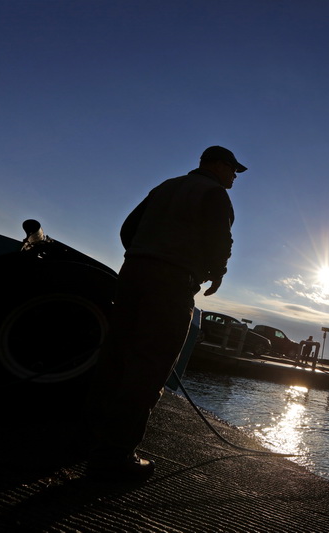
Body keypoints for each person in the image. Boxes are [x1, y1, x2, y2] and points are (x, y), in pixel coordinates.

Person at [86, 145, 246, 482]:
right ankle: (115, 456)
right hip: (173, 283)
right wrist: (217, 272)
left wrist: (143, 255)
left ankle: (89, 438)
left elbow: (128, 228)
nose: (234, 177)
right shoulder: (215, 194)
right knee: (151, 365)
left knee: (116, 356)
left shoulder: (166, 186)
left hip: (132, 275)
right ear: (218, 166)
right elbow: (221, 240)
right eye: (233, 170)